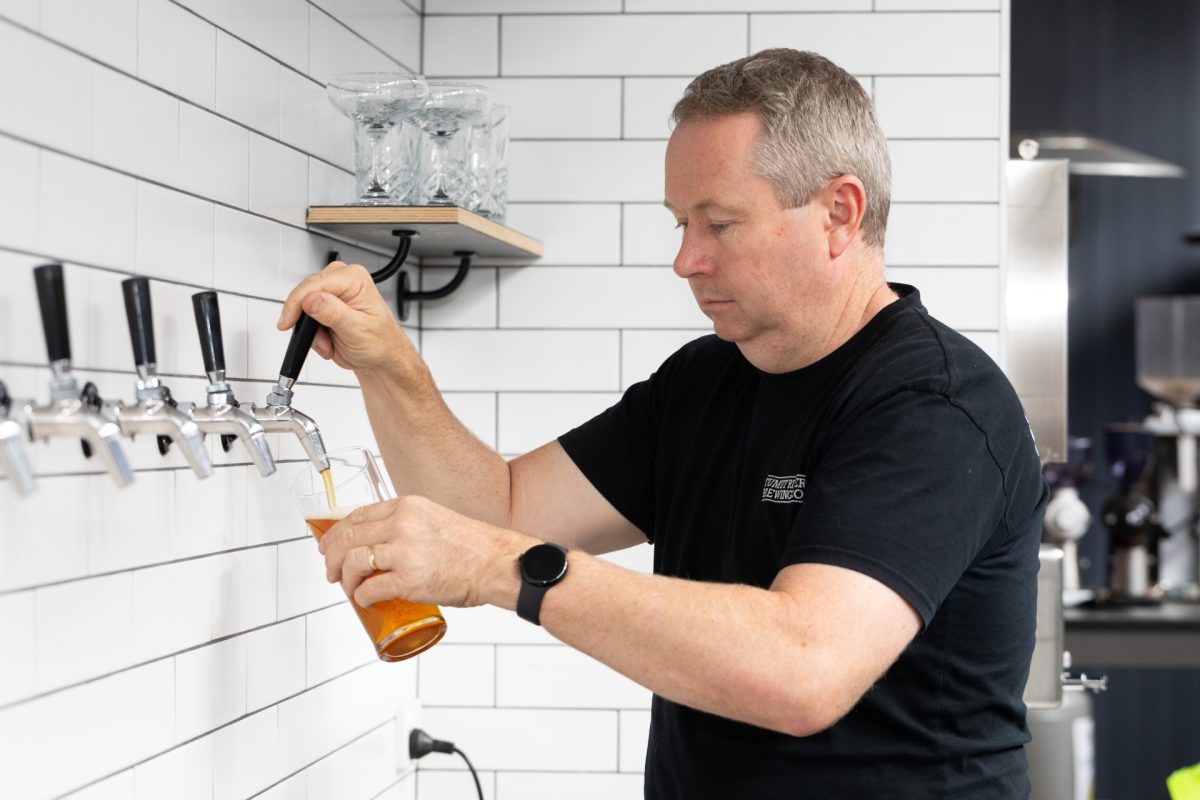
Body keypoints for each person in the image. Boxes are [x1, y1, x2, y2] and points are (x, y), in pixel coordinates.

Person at [280, 48, 1047, 799]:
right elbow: (496, 509)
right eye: (680, 223)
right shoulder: (704, 381)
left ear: (839, 214)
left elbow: (804, 669)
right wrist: (389, 365)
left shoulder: (934, 405)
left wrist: (497, 567)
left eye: (718, 223)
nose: (685, 260)